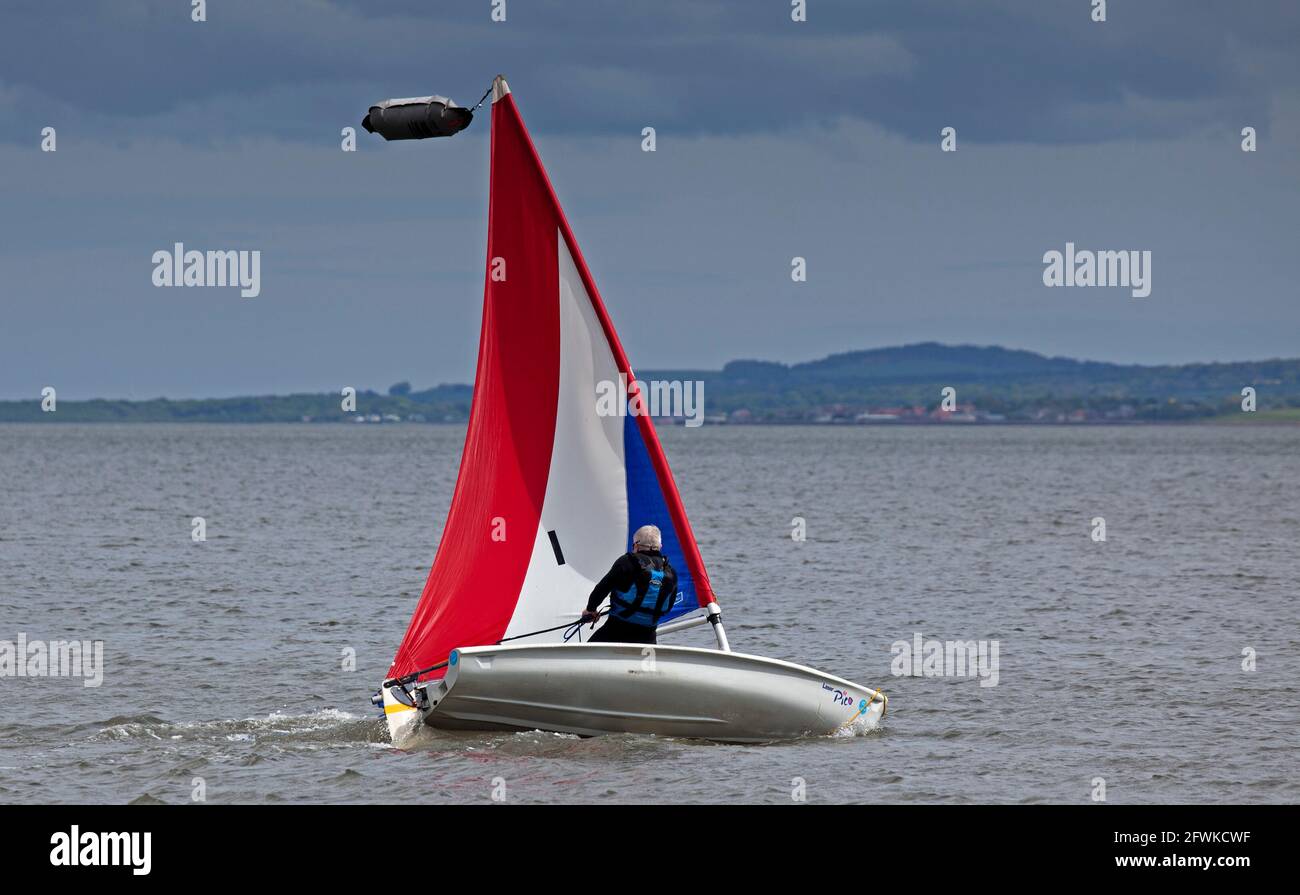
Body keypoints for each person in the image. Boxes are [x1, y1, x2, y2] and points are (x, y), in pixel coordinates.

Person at [581, 524, 678, 644]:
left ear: (636, 545)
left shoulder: (627, 562)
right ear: (660, 547)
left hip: (616, 629)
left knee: (588, 651)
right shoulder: (670, 572)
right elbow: (668, 606)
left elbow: (603, 588)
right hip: (648, 636)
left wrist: (591, 610)